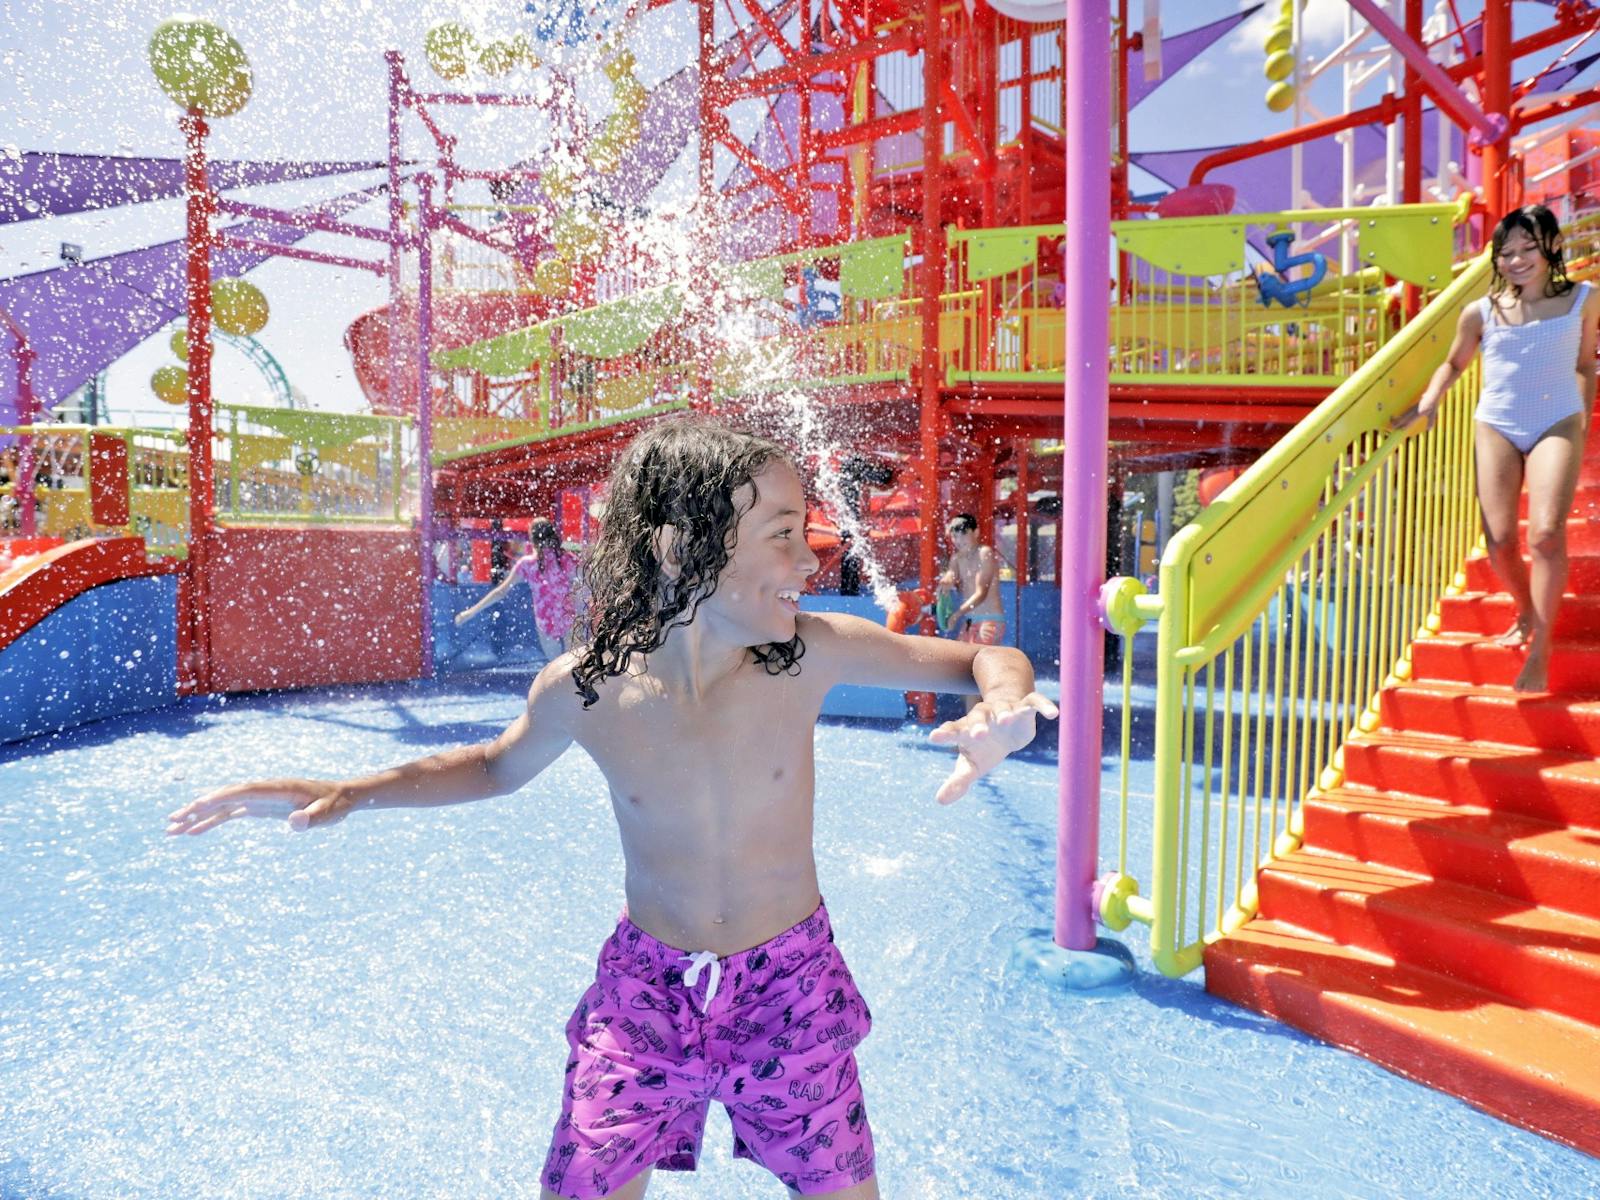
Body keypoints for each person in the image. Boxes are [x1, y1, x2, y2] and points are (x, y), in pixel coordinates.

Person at [166, 418, 1058, 1200]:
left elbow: (982, 660)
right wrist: (355, 790)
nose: (810, 557)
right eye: (782, 535)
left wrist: (1004, 711)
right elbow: (489, 767)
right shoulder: (586, 688)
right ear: (681, 547)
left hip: (790, 985)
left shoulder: (811, 655)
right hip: (645, 996)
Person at [1396, 205, 1600, 691]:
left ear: (1551, 247)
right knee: (1500, 541)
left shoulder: (1584, 299)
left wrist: (1584, 416)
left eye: (1529, 248)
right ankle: (1525, 609)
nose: (1517, 259)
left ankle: (1542, 646)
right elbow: (1453, 364)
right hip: (1497, 425)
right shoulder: (1481, 312)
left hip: (1558, 419)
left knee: (1546, 534)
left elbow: (1585, 363)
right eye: (1506, 252)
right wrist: (1428, 404)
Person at [458, 516, 582, 660]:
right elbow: (584, 574)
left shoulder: (527, 565)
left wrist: (471, 612)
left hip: (546, 621)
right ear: (553, 534)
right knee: (574, 665)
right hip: (568, 617)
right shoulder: (566, 559)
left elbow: (500, 592)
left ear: (532, 539)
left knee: (555, 670)